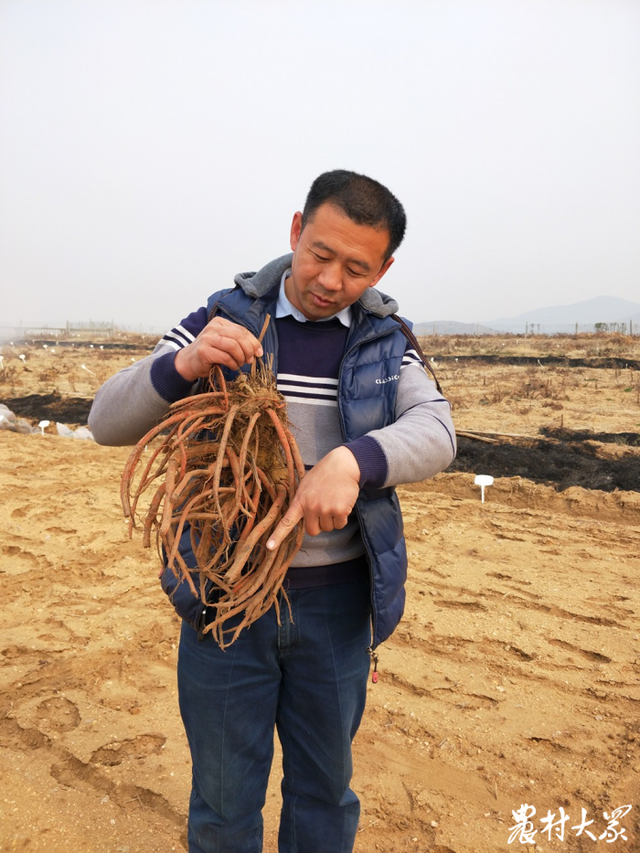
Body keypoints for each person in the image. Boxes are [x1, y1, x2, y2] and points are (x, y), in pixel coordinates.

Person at [89, 170, 456, 853]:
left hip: (335, 609)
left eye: (356, 267)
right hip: (225, 605)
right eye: (320, 253)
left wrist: (353, 461)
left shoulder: (383, 340)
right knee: (224, 805)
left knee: (323, 793)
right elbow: (106, 419)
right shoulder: (222, 317)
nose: (330, 279)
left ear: (384, 267)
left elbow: (437, 430)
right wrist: (186, 364)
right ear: (295, 231)